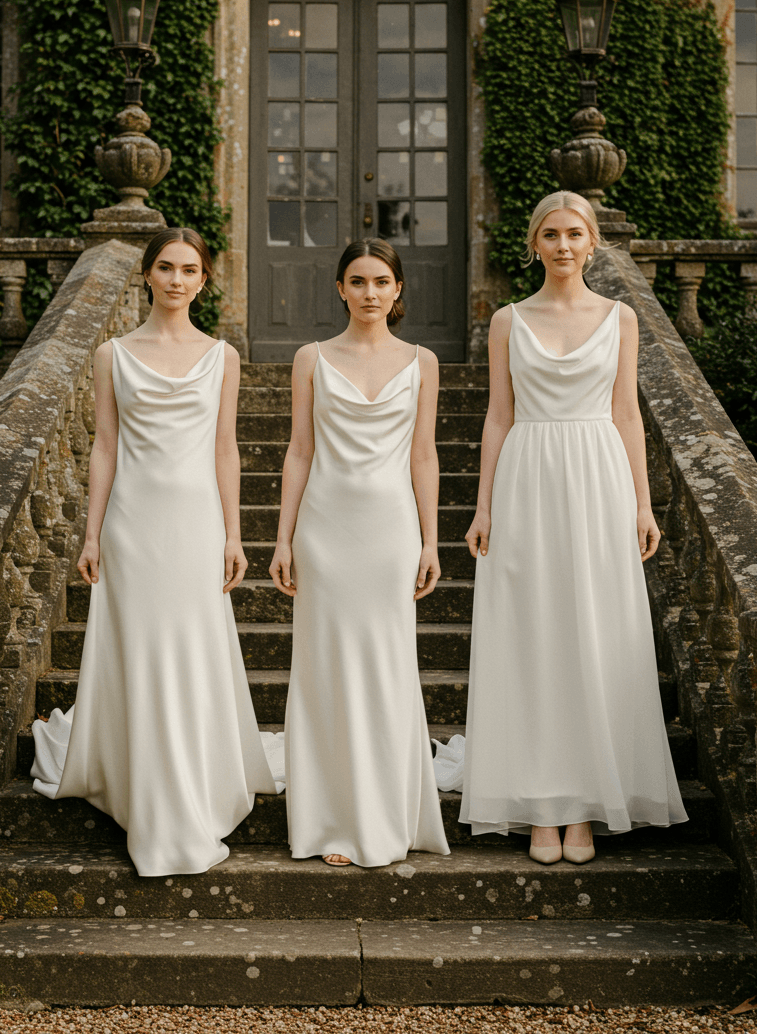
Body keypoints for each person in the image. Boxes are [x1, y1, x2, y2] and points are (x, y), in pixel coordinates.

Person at [31, 227, 278, 876]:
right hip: (132, 528)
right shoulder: (112, 354)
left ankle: (191, 789)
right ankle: (144, 800)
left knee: (188, 652)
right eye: (165, 267)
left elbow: (225, 448)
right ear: (147, 275)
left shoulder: (222, 356)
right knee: (139, 655)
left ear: (203, 280)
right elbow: (105, 446)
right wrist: (90, 533)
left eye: (188, 269)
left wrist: (233, 533)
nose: (175, 279)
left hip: (195, 525)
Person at [453, 191, 686, 864]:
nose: (561, 244)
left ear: (592, 244)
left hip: (596, 478)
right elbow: (498, 416)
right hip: (527, 476)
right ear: (533, 243)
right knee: (532, 638)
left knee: (592, 632)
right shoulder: (506, 320)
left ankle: (584, 803)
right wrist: (484, 505)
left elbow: (627, 416)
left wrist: (641, 505)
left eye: (574, 233)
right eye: (550, 233)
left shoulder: (621, 318)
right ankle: (539, 807)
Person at [269, 238, 449, 867]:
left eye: (381, 281)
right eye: (358, 281)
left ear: (398, 291)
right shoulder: (310, 358)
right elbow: (299, 450)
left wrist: (431, 539)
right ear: (340, 289)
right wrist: (283, 536)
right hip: (325, 528)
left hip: (390, 530)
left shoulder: (423, 361)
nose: (370, 292)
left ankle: (384, 812)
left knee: (384, 667)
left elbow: (423, 454)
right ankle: (331, 819)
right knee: (325, 671)